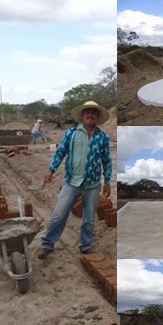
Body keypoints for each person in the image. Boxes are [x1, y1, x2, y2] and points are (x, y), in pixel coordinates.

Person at [37, 100, 112, 259]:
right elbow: (60, 152)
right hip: (71, 182)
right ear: (82, 115)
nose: (90, 115)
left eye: (93, 112)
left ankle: (85, 246)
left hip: (92, 185)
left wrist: (108, 182)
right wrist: (51, 170)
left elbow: (107, 161)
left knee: (89, 219)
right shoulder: (70, 133)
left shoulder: (103, 137)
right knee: (59, 214)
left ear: (97, 117)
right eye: (87, 112)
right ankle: (47, 244)